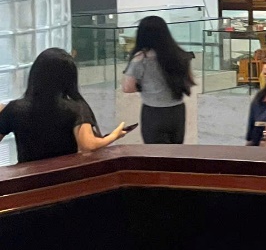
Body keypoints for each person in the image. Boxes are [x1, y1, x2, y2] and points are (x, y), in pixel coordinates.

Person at [0, 48, 129, 161]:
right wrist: (113, 136)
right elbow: (88, 145)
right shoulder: (76, 108)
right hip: (64, 175)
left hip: (27, 177)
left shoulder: (14, 109)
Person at [122, 15, 195, 144]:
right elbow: (188, 81)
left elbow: (127, 88)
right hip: (177, 111)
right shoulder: (180, 55)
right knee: (176, 152)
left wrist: (143, 86)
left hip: (153, 112)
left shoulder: (141, 59)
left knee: (155, 153)